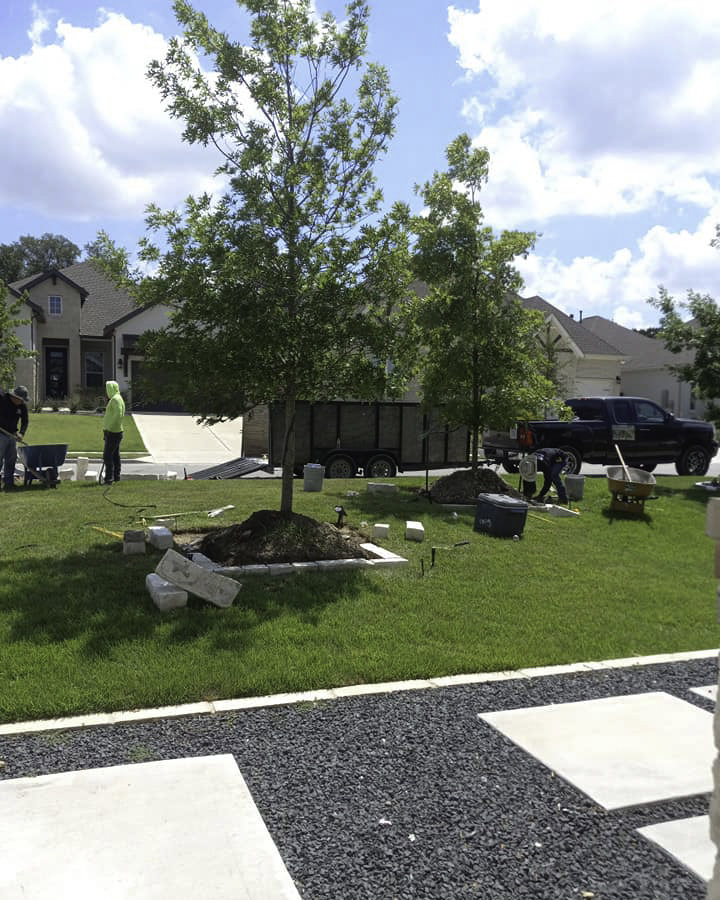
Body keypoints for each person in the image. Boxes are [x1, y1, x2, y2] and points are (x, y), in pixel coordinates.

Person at [0, 385, 29, 491]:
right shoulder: (2, 399)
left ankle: (9, 483)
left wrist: (21, 433)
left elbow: (25, 420)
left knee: (11, 460)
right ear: (14, 397)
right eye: (20, 399)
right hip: (1, 434)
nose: (21, 402)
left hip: (12, 435)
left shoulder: (22, 405)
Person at [102, 380, 125, 485]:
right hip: (115, 431)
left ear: (111, 389)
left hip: (113, 432)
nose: (106, 392)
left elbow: (118, 414)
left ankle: (108, 479)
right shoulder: (117, 398)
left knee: (107, 456)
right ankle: (116, 477)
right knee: (115, 455)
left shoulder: (115, 399)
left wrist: (110, 428)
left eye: (107, 389)